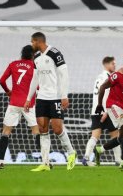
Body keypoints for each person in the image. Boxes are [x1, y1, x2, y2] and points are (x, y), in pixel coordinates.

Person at [24, 32, 76, 171]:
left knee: (58, 129)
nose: (31, 44)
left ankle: (71, 154)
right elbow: (35, 79)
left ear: (37, 41)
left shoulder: (55, 53)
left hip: (55, 97)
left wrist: (64, 95)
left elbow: (64, 74)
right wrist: (29, 98)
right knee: (42, 129)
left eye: (32, 42)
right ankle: (45, 163)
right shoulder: (36, 57)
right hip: (41, 98)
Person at [0, 45, 39, 169]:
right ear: (32, 55)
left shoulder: (13, 64)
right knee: (36, 131)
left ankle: (0, 161)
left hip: (14, 102)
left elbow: (2, 80)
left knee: (6, 132)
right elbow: (38, 86)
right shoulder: (34, 66)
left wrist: (8, 92)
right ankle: (45, 161)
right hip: (29, 104)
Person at [94, 55, 123, 170]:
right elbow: (103, 87)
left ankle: (100, 150)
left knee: (121, 137)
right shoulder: (117, 75)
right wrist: (100, 105)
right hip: (113, 106)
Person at [82, 56, 121, 166]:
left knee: (95, 136)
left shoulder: (100, 76)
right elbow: (103, 94)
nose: (115, 65)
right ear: (106, 65)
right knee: (115, 136)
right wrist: (105, 110)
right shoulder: (106, 77)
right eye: (113, 63)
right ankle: (118, 160)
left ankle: (86, 158)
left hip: (96, 110)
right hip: (105, 110)